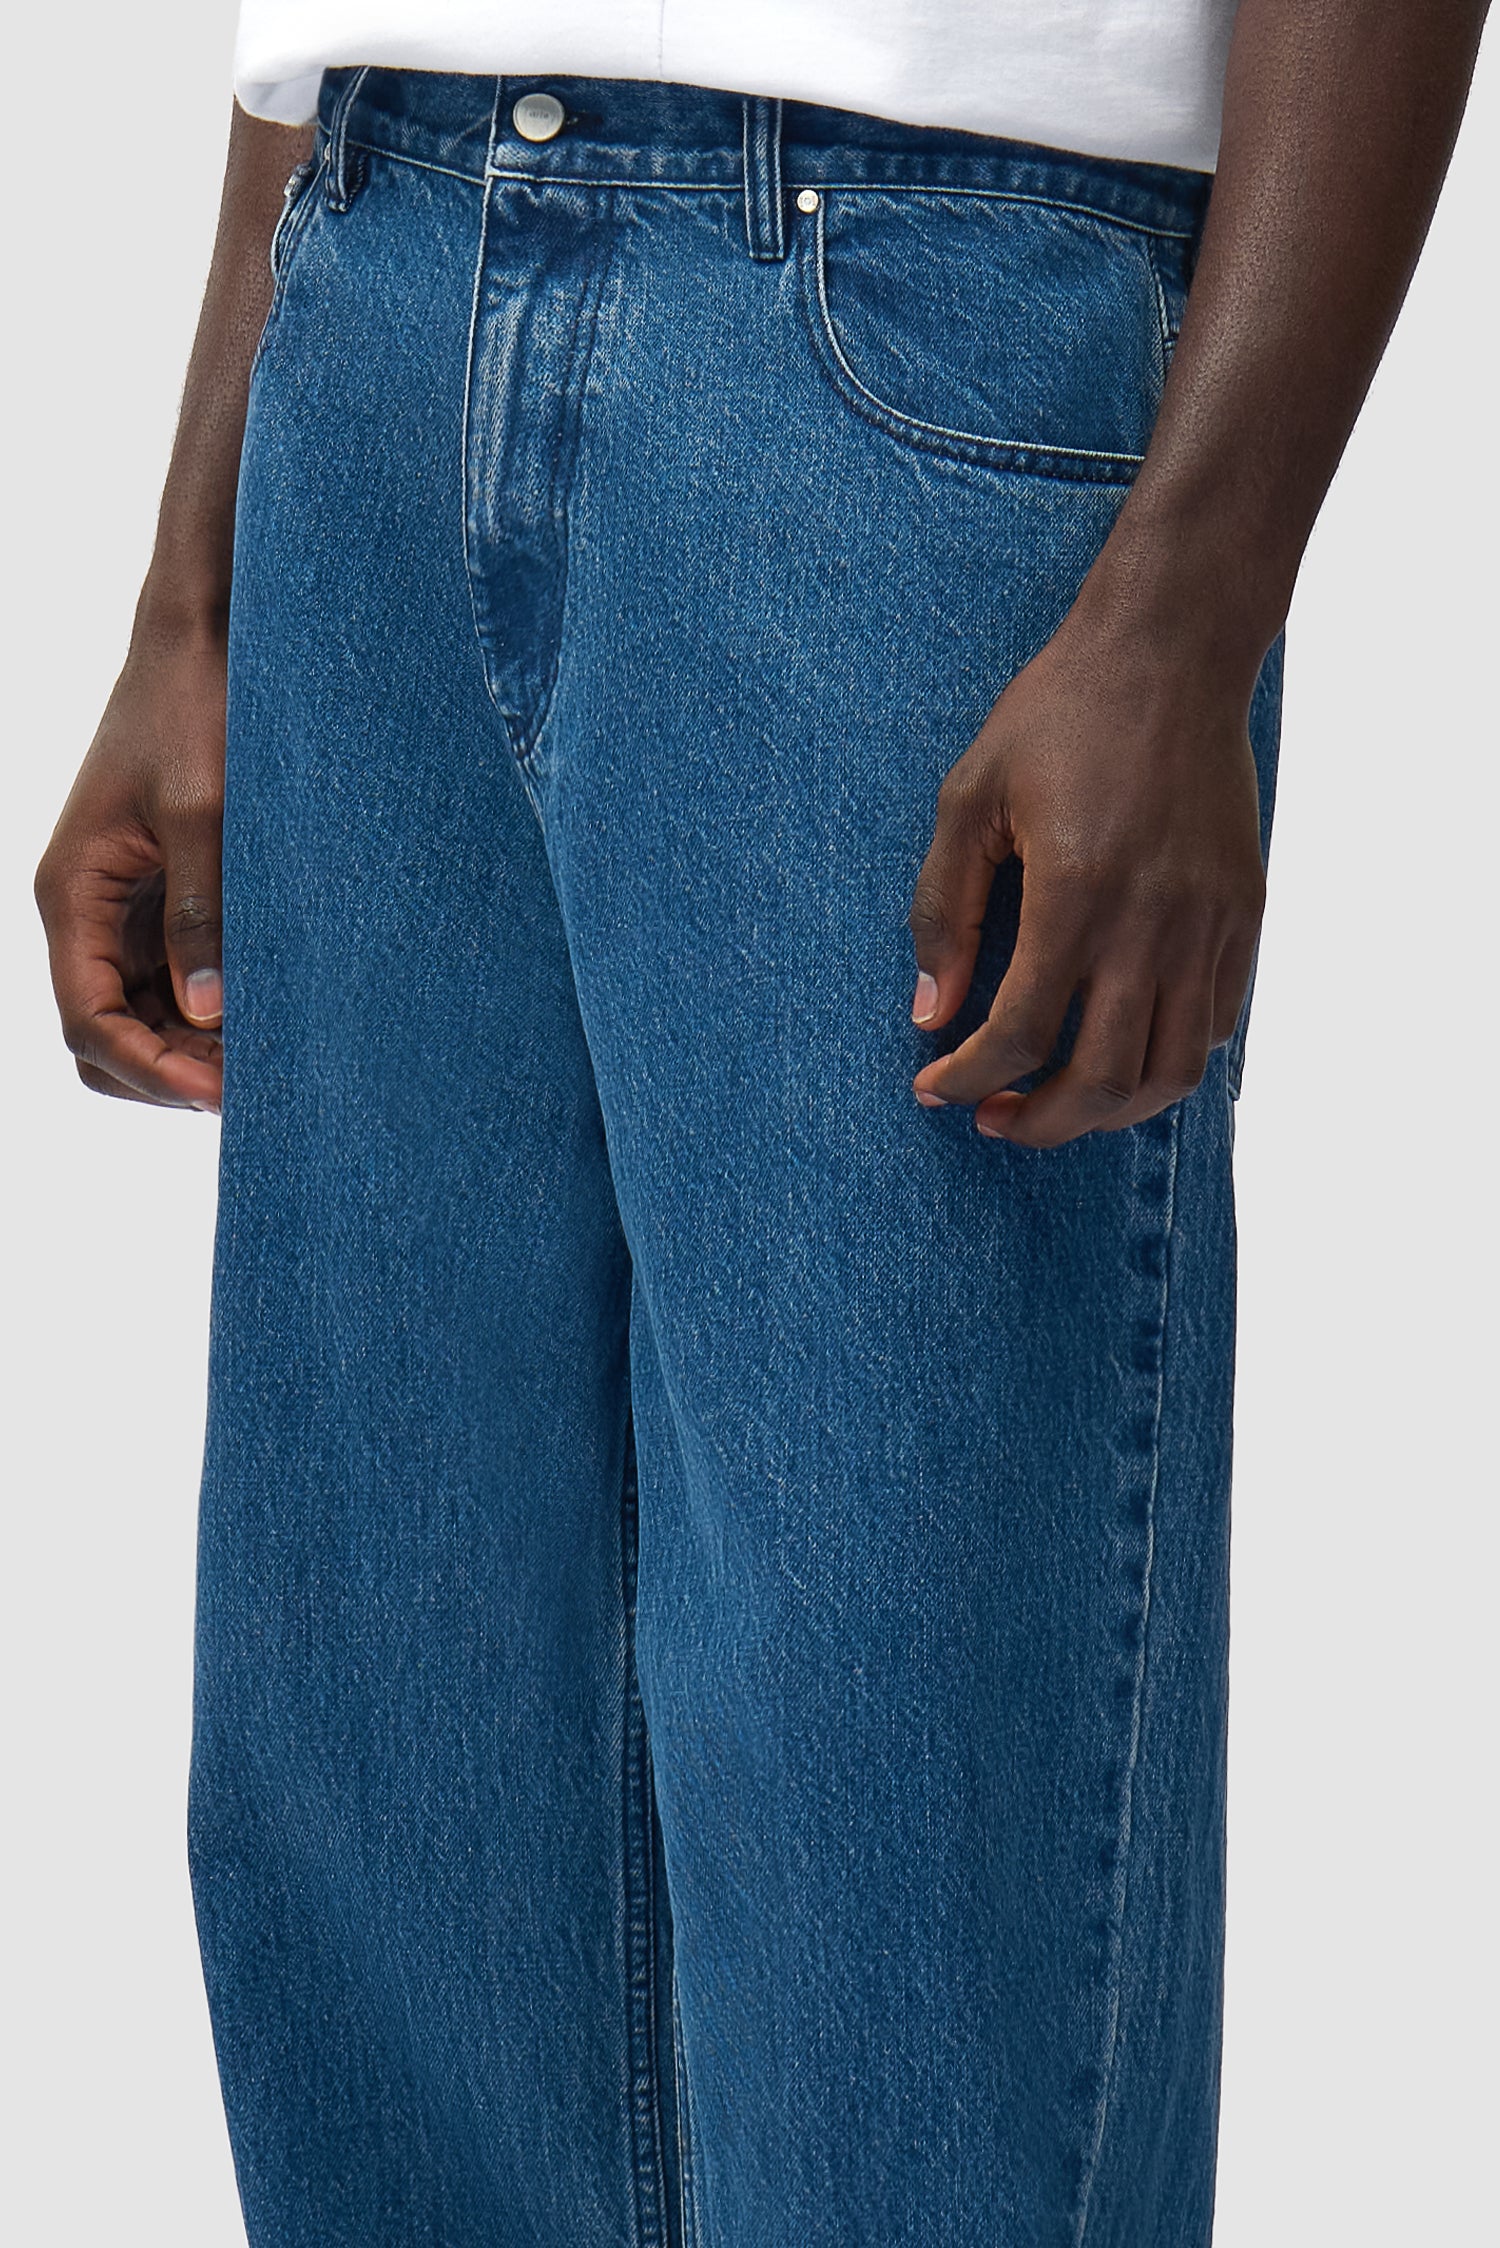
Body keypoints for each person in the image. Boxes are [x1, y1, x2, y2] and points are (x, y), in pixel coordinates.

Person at [33, 4, 1489, 2243]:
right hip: (377, 269)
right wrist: (190, 592)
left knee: (891, 1768)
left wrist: (1187, 618)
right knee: (394, 1727)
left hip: (909, 313)